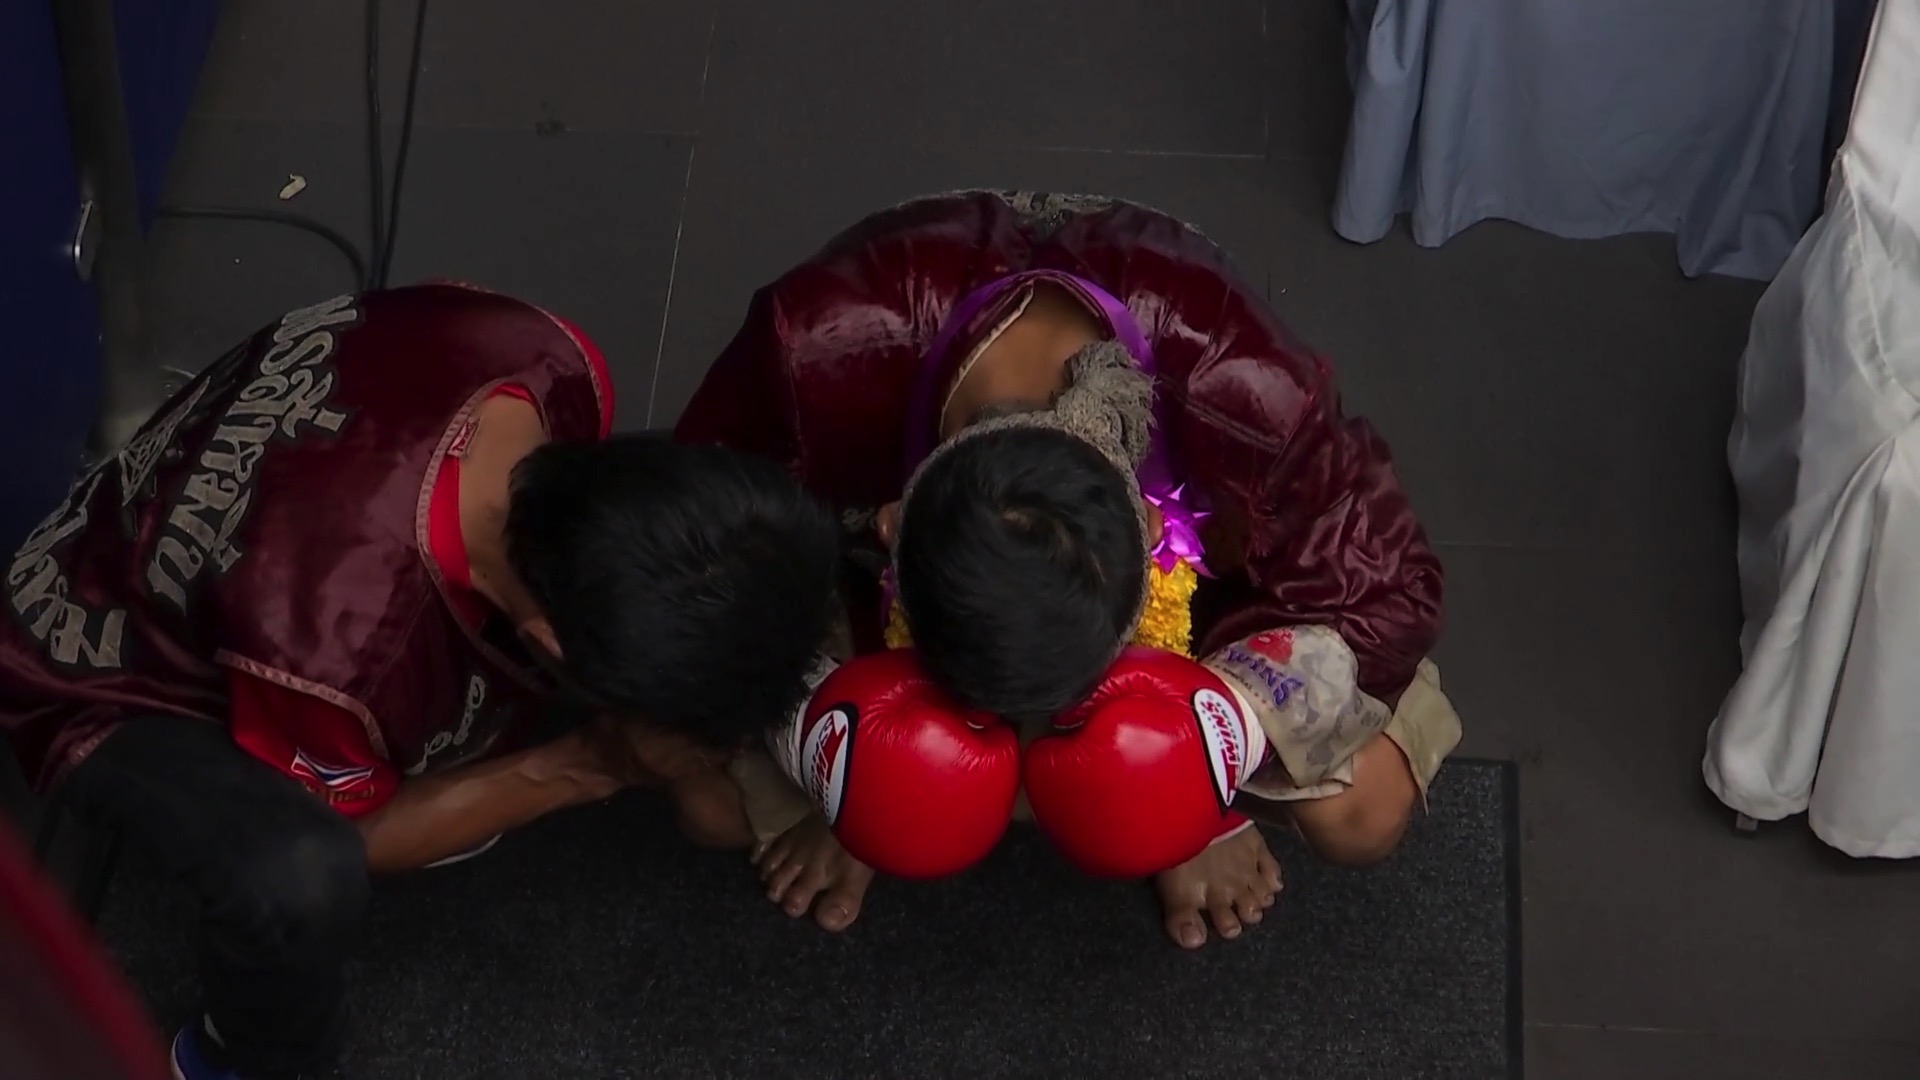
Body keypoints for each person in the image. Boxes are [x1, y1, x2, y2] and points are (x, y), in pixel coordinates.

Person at [0, 284, 841, 1080]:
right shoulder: (338, 650)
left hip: (277, 495)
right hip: (86, 663)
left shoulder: (548, 358)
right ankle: (242, 1059)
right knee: (298, 876)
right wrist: (596, 764)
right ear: (550, 643)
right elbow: (360, 837)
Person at [673, 190, 1465, 948]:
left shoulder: (1251, 392)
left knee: (1365, 814)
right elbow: (691, 542)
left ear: (1152, 527)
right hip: (870, 578)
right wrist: (816, 724)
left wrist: (1221, 733)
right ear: (891, 522)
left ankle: (1198, 795)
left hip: (1204, 594)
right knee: (712, 807)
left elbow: (1389, 594)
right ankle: (855, 763)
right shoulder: (815, 351)